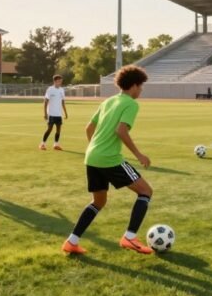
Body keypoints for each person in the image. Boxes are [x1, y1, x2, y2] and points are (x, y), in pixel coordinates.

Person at [62, 65, 154, 255]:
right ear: (134, 85)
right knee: (145, 191)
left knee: (98, 202)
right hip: (109, 159)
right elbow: (121, 131)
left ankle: (72, 242)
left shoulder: (108, 101)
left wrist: (95, 149)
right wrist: (139, 155)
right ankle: (130, 237)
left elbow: (88, 128)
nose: (141, 90)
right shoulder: (131, 104)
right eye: (141, 86)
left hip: (92, 157)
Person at [40, 75, 69, 151]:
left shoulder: (61, 90)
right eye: (59, 81)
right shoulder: (50, 89)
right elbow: (45, 102)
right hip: (51, 114)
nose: (60, 82)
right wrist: (45, 113)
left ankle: (56, 144)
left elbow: (63, 102)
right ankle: (42, 144)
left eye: (61, 81)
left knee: (58, 130)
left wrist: (65, 113)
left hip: (58, 114)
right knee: (49, 129)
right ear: (55, 81)